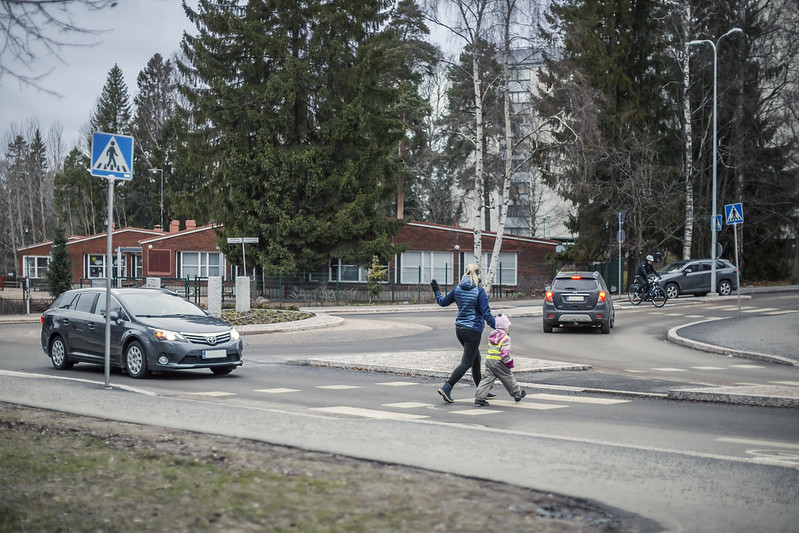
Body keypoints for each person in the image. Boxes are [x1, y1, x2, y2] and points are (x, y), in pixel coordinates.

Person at [430, 263, 497, 403]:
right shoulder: (479, 291)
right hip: (473, 330)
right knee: (466, 362)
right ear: (478, 275)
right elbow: (486, 313)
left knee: (476, 359)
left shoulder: (458, 289)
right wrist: (498, 326)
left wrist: (436, 290)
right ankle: (447, 387)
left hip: (459, 329)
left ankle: (481, 390)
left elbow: (442, 302)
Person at [474, 314, 526, 406]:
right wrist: (509, 363)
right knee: (508, 377)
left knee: (487, 379)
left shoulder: (492, 336)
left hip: (489, 360)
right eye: (507, 325)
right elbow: (505, 353)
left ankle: (479, 397)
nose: (508, 326)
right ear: (505, 326)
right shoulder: (505, 338)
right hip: (500, 362)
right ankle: (517, 394)